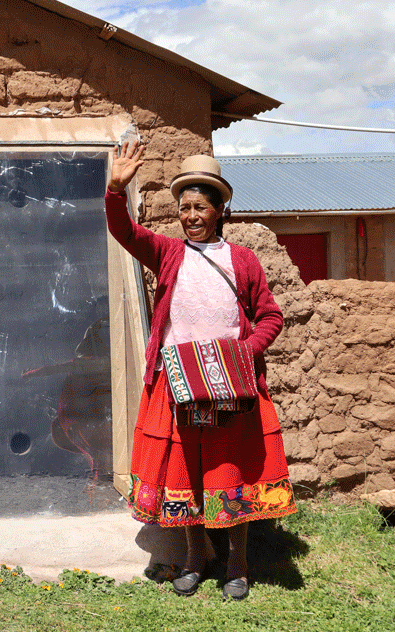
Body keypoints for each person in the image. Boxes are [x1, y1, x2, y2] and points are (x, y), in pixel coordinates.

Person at [105, 139, 297, 601]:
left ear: (220, 210)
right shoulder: (169, 254)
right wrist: (115, 191)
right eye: (183, 207)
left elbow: (271, 316)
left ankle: (237, 561)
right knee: (186, 471)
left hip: (231, 384)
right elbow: (125, 233)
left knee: (229, 469)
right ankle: (196, 556)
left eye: (200, 207)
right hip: (178, 384)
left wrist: (244, 353)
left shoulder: (242, 261)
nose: (190, 216)